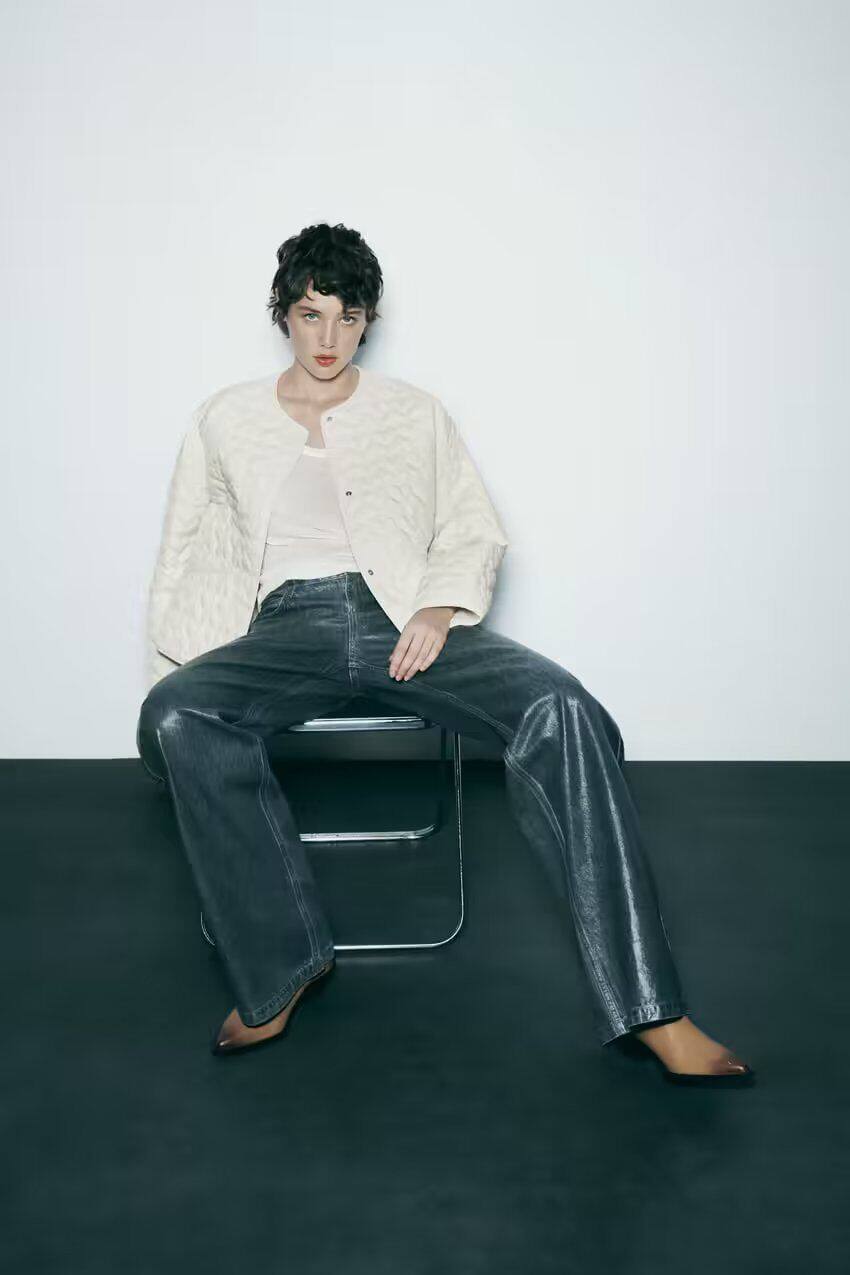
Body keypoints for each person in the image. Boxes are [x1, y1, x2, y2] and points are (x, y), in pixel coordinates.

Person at [136, 222, 755, 1086]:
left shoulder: (413, 412)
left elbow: (471, 526)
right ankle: (280, 966)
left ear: (369, 321)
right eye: (311, 315)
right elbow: (183, 548)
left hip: (404, 619)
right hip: (281, 627)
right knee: (175, 714)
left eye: (349, 317)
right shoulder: (224, 417)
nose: (329, 337)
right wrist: (181, 667)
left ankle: (654, 1008)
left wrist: (437, 606)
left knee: (562, 705)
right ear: (283, 313)